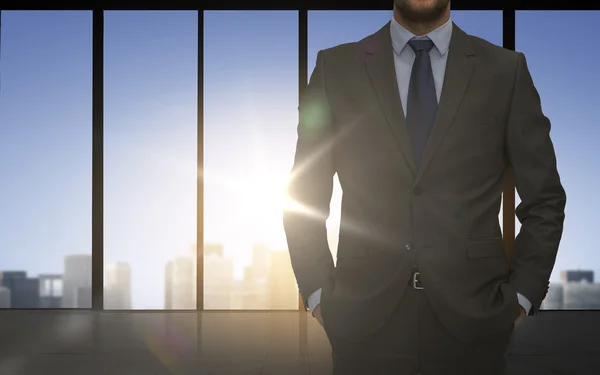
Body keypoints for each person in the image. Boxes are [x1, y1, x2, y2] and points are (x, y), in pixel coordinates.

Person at [283, 0, 566, 374]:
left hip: (476, 320)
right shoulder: (335, 69)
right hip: (362, 322)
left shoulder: (505, 71)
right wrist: (319, 295)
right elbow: (303, 194)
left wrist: (521, 297)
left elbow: (544, 199)